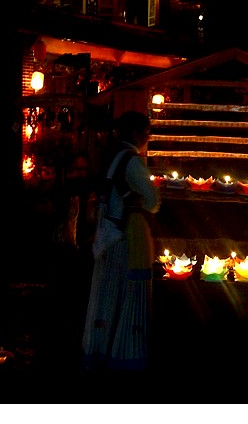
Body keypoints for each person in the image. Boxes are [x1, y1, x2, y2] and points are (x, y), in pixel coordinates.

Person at [82, 111, 161, 371]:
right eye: (147, 132)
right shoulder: (132, 160)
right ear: (137, 133)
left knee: (105, 290)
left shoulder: (111, 155)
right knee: (131, 293)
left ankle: (97, 348)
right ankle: (126, 352)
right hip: (128, 231)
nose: (148, 137)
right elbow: (151, 201)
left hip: (107, 230)